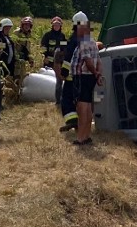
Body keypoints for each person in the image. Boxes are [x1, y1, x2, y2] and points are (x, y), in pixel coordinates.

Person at [70, 11, 103, 146]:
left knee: (82, 108)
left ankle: (81, 138)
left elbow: (88, 62)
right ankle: (87, 136)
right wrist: (98, 75)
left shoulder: (84, 42)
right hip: (90, 79)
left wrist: (94, 73)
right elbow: (99, 62)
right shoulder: (93, 42)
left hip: (82, 77)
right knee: (89, 107)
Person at [40, 16, 67, 104]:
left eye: (58, 25)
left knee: (58, 80)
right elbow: (43, 47)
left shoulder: (62, 36)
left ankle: (58, 99)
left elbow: (64, 47)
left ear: (60, 26)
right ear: (52, 25)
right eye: (55, 25)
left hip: (59, 63)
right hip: (49, 62)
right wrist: (45, 57)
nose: (56, 26)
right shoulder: (47, 35)